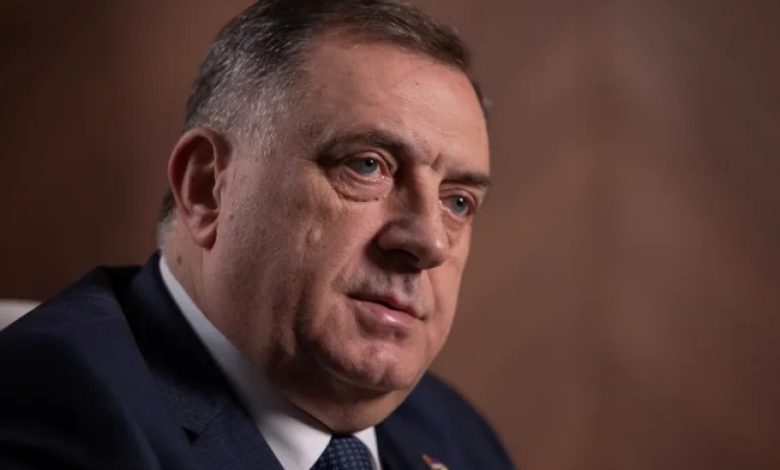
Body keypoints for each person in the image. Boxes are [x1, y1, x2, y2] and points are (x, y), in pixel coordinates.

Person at [0, 1, 514, 468]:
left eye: (458, 202)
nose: (429, 242)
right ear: (207, 188)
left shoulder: (457, 437)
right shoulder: (54, 409)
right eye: (367, 165)